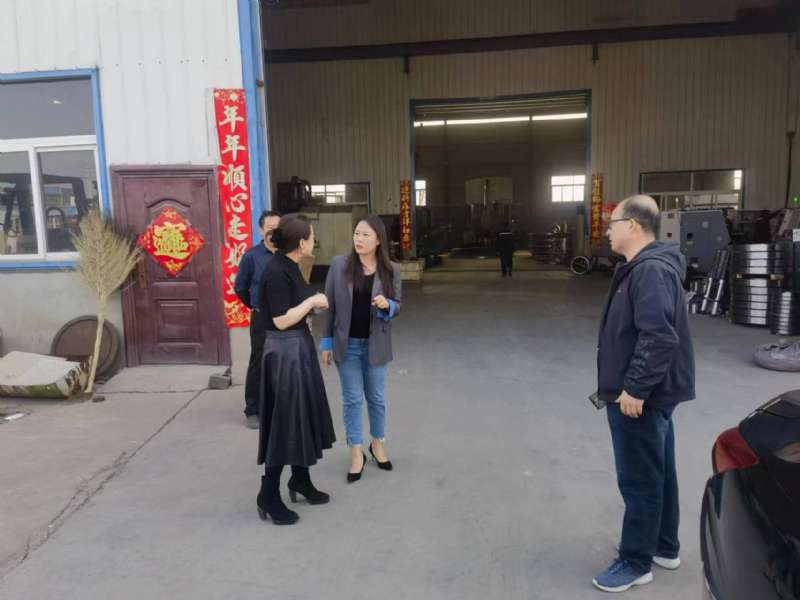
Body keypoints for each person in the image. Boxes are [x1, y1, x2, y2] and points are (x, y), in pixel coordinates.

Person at [592, 195, 695, 593]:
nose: (608, 231)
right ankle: (664, 547)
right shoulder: (644, 267)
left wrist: (634, 388)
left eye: (613, 224)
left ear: (633, 226)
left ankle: (636, 561)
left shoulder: (649, 270)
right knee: (659, 471)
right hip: (654, 393)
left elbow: (658, 335)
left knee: (639, 480)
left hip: (640, 396)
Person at [255, 214, 336, 525]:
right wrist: (312, 302)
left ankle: (300, 479)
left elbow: (294, 308)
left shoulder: (290, 265)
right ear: (301, 242)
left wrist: (312, 303)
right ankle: (268, 495)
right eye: (311, 236)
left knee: (301, 417)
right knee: (285, 422)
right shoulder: (276, 271)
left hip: (297, 349)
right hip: (283, 353)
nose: (314, 241)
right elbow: (280, 320)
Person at [319, 215, 402, 482]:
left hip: (376, 344)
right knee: (352, 399)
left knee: (376, 398)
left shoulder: (391, 270)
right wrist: (326, 341)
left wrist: (388, 305)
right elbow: (329, 305)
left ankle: (377, 444)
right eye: (357, 233)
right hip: (347, 345)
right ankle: (356, 451)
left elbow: (398, 304)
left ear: (378, 240)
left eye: (366, 235)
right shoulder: (339, 265)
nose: (359, 239)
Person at [235, 210, 281, 429]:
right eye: (270, 228)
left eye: (278, 228)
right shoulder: (252, 257)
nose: (274, 232)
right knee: (259, 361)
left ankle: (278, 407)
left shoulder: (288, 254)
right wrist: (255, 305)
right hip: (262, 317)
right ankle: (253, 410)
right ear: (261, 231)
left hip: (286, 317)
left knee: (283, 361)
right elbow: (240, 287)